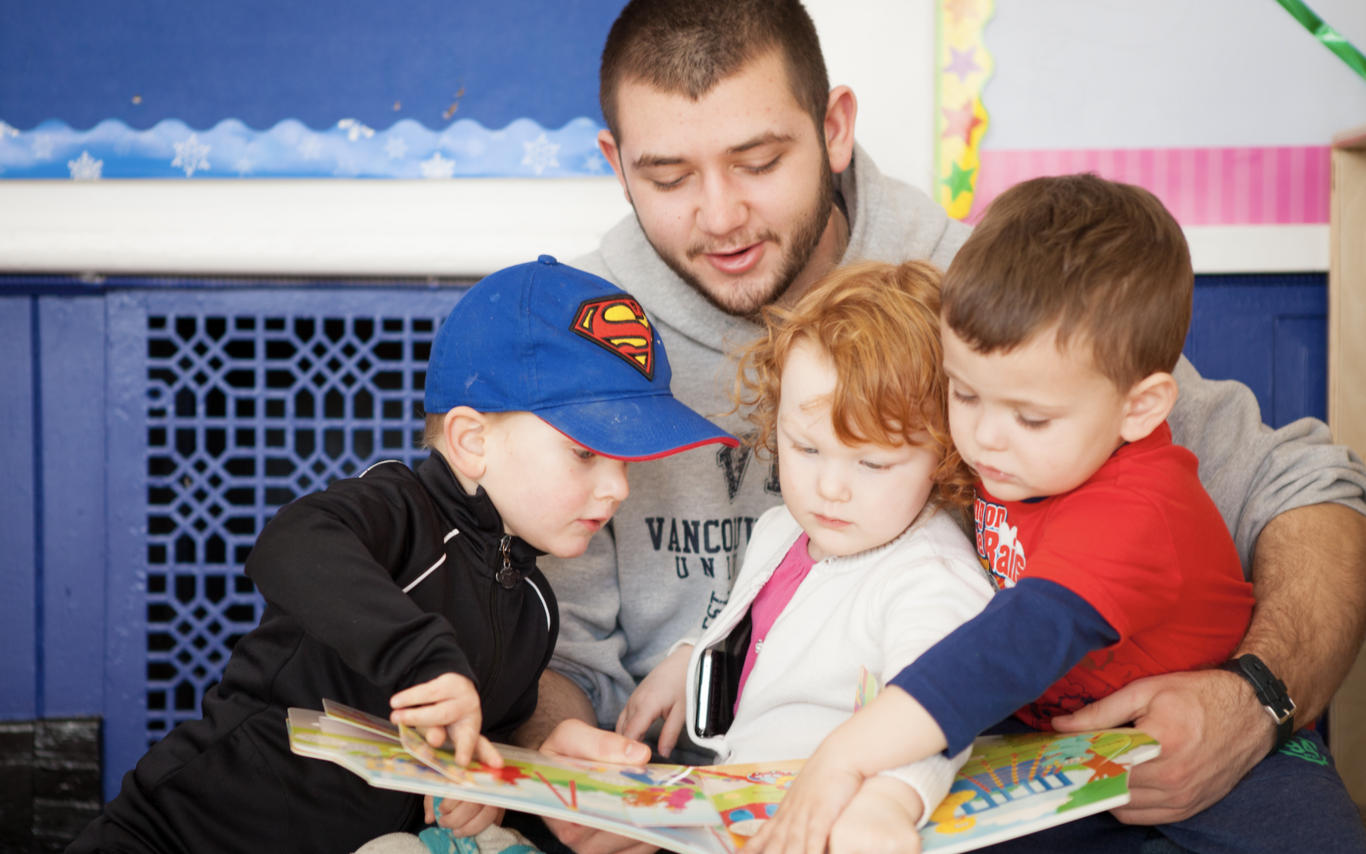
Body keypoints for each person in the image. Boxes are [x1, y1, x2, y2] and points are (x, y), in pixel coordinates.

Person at [445, 1, 1366, 852]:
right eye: (668, 175)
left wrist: (1259, 695)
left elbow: (1304, 486)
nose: (719, 215)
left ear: (836, 129)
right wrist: (554, 748)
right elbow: (546, 640)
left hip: (976, 770)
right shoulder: (577, 338)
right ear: (614, 163)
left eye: (760, 163)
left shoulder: (987, 297)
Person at [744, 175, 1366, 854]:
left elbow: (1009, 647)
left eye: (1032, 417)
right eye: (963, 393)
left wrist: (844, 756)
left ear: (1140, 408)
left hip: (1233, 771)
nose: (984, 438)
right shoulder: (1016, 453)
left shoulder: (1137, 510)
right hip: (1062, 755)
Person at [65, 257, 738, 854]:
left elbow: (476, 741)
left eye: (624, 459)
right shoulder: (402, 508)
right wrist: (425, 658)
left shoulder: (532, 607)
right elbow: (291, 543)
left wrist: (487, 781)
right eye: (587, 452)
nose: (617, 486)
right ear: (472, 441)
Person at [616, 260, 995, 834]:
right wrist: (690, 657)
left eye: (872, 462)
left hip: (832, 822)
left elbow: (939, 707)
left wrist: (893, 801)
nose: (830, 487)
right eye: (805, 448)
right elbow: (761, 625)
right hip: (744, 801)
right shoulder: (784, 529)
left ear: (944, 453)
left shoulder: (930, 577)